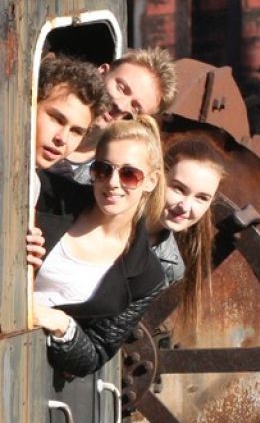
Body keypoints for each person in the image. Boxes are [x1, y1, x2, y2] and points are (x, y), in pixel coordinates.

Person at [28, 116, 169, 376]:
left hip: (32, 375)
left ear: (151, 180)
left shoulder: (146, 276)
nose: (113, 182)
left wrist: (60, 323)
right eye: (103, 169)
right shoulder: (47, 196)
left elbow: (95, 354)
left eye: (129, 174)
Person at [55, 48, 180, 185]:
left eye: (135, 107)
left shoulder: (108, 180)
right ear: (102, 72)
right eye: (121, 88)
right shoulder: (39, 108)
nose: (121, 105)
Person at [31, 54, 108, 216]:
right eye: (57, 119)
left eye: (76, 131)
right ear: (33, 103)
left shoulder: (33, 184)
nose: (62, 138)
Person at [156, 138, 227, 295]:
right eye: (179, 189)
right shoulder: (106, 214)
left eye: (201, 198)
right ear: (158, 177)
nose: (185, 207)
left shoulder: (170, 269)